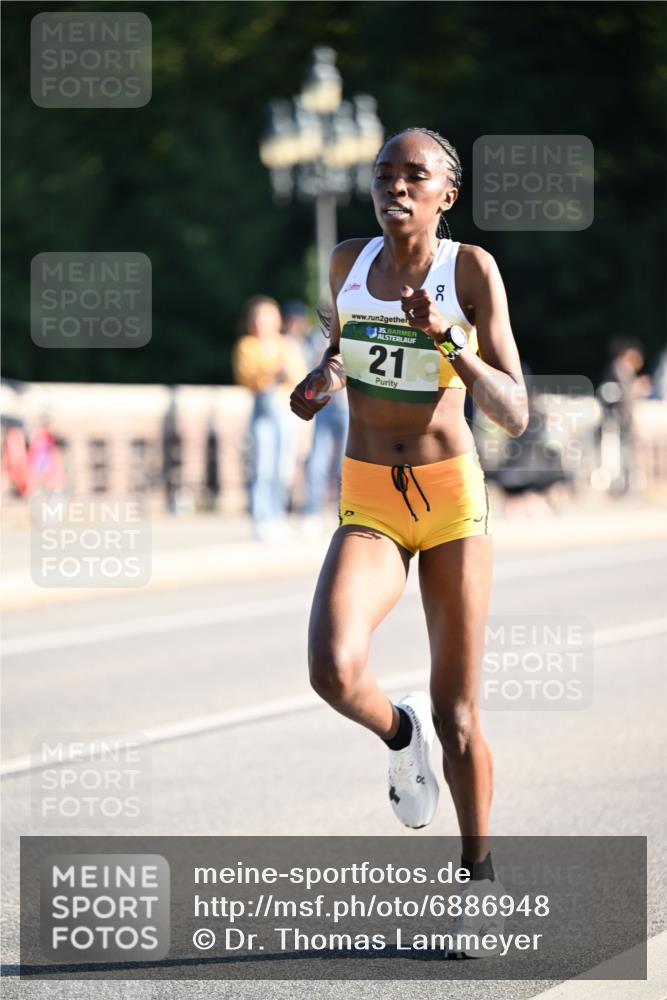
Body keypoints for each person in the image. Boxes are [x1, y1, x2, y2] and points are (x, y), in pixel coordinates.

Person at [290, 128, 528, 910]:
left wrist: (447, 341)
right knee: (331, 666)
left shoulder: (471, 270)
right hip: (370, 494)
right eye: (382, 173)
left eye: (412, 175)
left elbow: (514, 412)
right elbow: (340, 351)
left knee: (459, 715)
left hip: (451, 500)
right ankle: (399, 734)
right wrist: (320, 380)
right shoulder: (346, 264)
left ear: (445, 195)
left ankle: (477, 874)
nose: (394, 186)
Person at [233, 295, 305, 541]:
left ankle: (278, 516)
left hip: (284, 411)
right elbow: (248, 377)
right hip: (263, 410)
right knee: (262, 465)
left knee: (282, 467)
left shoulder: (286, 345)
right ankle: (261, 517)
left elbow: (298, 375)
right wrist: (273, 374)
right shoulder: (247, 346)